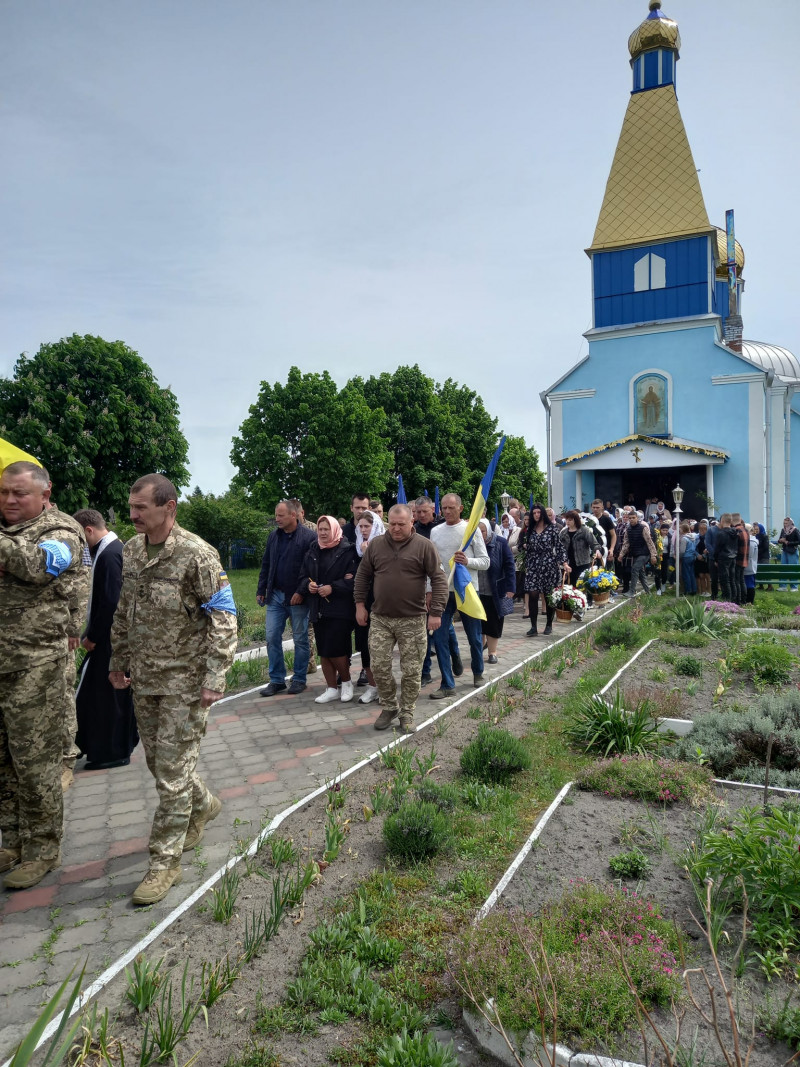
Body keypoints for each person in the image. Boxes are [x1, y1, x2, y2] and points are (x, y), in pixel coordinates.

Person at [109, 474, 237, 905]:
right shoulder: (131, 550)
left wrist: (215, 677)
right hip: (145, 681)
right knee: (161, 766)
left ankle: (164, 864)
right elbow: (125, 609)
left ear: (170, 507)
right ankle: (202, 804)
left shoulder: (197, 555)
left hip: (185, 681)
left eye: (141, 507)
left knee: (169, 773)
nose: (133, 515)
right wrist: (117, 661)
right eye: (131, 507)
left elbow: (224, 619)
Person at [0, 461, 87, 890]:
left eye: (19, 494)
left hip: (35, 665)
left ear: (44, 494)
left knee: (35, 763)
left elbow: (38, 567)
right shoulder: (6, 532)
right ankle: (12, 841)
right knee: (3, 763)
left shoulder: (61, 532)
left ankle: (42, 849)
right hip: (2, 664)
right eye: (4, 493)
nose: (10, 501)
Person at [354, 504, 448, 733]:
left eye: (401, 524)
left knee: (412, 670)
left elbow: (438, 579)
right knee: (378, 666)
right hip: (381, 618)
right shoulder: (376, 545)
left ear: (411, 522)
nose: (395, 528)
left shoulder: (424, 547)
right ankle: (389, 707)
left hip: (413, 619)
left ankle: (407, 713)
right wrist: (359, 605)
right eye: (392, 524)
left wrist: (436, 612)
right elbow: (362, 576)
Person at [72, 509, 138, 770]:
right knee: (101, 694)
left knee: (105, 696)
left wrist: (93, 636)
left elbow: (111, 602)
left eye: (79, 537)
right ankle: (101, 746)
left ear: (88, 530)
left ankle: (111, 750)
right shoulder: (111, 550)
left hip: (109, 638)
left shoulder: (110, 555)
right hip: (109, 635)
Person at [429, 493, 490, 696]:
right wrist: (430, 590)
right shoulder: (435, 532)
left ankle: (478, 672)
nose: (446, 511)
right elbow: (433, 565)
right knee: (440, 638)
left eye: (451, 508)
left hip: (467, 590)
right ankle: (448, 684)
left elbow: (485, 561)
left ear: (461, 509)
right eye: (443, 508)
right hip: (443, 591)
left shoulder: (470, 530)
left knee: (474, 636)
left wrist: (467, 561)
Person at [257, 500, 317, 697]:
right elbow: (266, 563)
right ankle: (276, 680)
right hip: (275, 595)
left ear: (294, 515)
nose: (277, 519)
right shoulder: (274, 537)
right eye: (276, 515)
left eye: (281, 515)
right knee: (272, 636)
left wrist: (301, 592)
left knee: (300, 638)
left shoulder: (309, 537)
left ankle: (299, 678)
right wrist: (262, 589)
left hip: (297, 597)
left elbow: (311, 569)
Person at [297, 516, 357, 704]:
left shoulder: (347, 551)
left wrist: (333, 587)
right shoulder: (312, 550)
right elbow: (303, 576)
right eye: (320, 529)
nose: (323, 533)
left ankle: (346, 683)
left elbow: (354, 580)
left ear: (335, 530)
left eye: (326, 529)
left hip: (339, 609)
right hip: (318, 607)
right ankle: (331, 688)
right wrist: (308, 585)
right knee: (324, 650)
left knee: (337, 649)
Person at [413, 496, 462, 685]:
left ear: (433, 509)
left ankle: (455, 654)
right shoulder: (413, 530)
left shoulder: (442, 527)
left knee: (443, 626)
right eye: (418, 512)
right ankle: (425, 672)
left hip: (440, 582)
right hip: (419, 583)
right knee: (424, 631)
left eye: (425, 511)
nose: (422, 515)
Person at [353, 510, 385, 704]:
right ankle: (372, 686)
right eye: (361, 526)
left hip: (382, 601)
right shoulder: (356, 547)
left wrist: (368, 555)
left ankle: (384, 688)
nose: (364, 530)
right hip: (362, 601)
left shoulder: (384, 546)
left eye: (367, 526)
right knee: (364, 646)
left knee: (381, 648)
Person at [525, 503, 568, 635]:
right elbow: (522, 544)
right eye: (534, 513)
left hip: (549, 564)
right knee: (532, 594)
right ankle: (533, 627)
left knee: (549, 595)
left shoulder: (552, 529)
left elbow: (559, 547)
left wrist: (564, 563)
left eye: (538, 512)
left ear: (543, 513)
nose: (536, 515)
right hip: (533, 565)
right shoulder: (530, 529)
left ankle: (549, 624)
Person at [477, 518, 515, 664]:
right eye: (478, 532)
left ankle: (492, 652)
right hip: (477, 590)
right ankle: (478, 650)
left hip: (495, 590)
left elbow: (509, 565)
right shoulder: (472, 543)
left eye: (483, 531)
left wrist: (510, 587)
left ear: (489, 530)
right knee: (478, 623)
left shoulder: (500, 542)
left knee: (494, 622)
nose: (480, 535)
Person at [618, 510, 657, 596]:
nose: (631, 520)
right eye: (630, 518)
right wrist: (621, 555)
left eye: (633, 518)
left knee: (635, 569)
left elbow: (649, 542)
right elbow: (626, 543)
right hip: (635, 553)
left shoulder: (643, 528)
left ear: (637, 518)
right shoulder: (628, 530)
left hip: (644, 553)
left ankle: (632, 591)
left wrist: (653, 555)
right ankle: (648, 592)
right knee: (641, 573)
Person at [560, 510, 601, 587]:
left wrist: (597, 550)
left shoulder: (584, 530)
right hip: (568, 563)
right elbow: (559, 548)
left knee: (584, 584)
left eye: (570, 520)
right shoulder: (563, 533)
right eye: (566, 520)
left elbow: (594, 544)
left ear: (575, 520)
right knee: (569, 585)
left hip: (582, 562)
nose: (567, 522)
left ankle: (587, 599)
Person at [715, 514, 739, 602]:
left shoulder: (721, 533)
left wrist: (715, 559)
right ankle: (734, 599)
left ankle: (727, 600)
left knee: (725, 580)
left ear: (722, 521)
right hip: (733, 556)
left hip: (723, 557)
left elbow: (717, 548)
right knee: (732, 579)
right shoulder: (735, 532)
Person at [590, 499, 616, 565]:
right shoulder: (588, 520)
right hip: (591, 551)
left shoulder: (607, 519)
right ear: (591, 508)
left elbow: (613, 535)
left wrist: (612, 549)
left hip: (605, 550)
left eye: (597, 507)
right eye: (594, 507)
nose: (595, 509)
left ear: (602, 507)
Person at [777, 517, 800, 591]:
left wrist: (788, 542)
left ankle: (794, 587)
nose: (785, 524)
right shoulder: (783, 530)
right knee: (783, 569)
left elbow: (799, 541)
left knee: (792, 569)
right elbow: (780, 539)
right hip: (785, 551)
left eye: (786, 523)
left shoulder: (795, 530)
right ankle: (783, 586)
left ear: (790, 523)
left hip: (792, 551)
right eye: (784, 523)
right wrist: (780, 540)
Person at [732, 514, 749, 604]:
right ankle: (743, 599)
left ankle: (737, 601)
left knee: (736, 581)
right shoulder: (745, 529)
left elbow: (734, 546)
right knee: (742, 580)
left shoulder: (736, 530)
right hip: (744, 558)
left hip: (737, 558)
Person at [678, 522, 698, 595]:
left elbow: (682, 551)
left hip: (686, 557)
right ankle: (694, 589)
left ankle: (688, 590)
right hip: (692, 556)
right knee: (691, 573)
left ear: (683, 530)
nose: (679, 531)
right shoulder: (692, 538)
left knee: (686, 574)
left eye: (680, 529)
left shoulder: (684, 539)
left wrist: (679, 557)